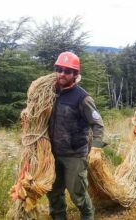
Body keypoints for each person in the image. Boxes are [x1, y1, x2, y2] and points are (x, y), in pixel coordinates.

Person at [47, 51, 104, 220]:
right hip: (52, 153)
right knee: (54, 192)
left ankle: (88, 216)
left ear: (75, 74)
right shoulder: (50, 93)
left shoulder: (82, 98)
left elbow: (97, 123)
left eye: (67, 71)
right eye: (59, 69)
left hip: (75, 155)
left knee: (77, 194)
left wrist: (96, 148)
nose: (62, 74)